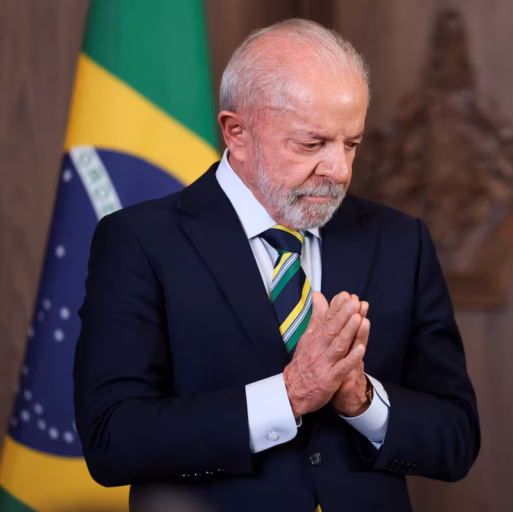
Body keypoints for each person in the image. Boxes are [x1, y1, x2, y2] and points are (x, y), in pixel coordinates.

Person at [73, 19, 480, 511]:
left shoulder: (400, 241)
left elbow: (457, 439)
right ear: (237, 132)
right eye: (312, 144)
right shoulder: (139, 241)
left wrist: (363, 401)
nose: (340, 169)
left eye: (351, 143)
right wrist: (288, 395)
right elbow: (112, 440)